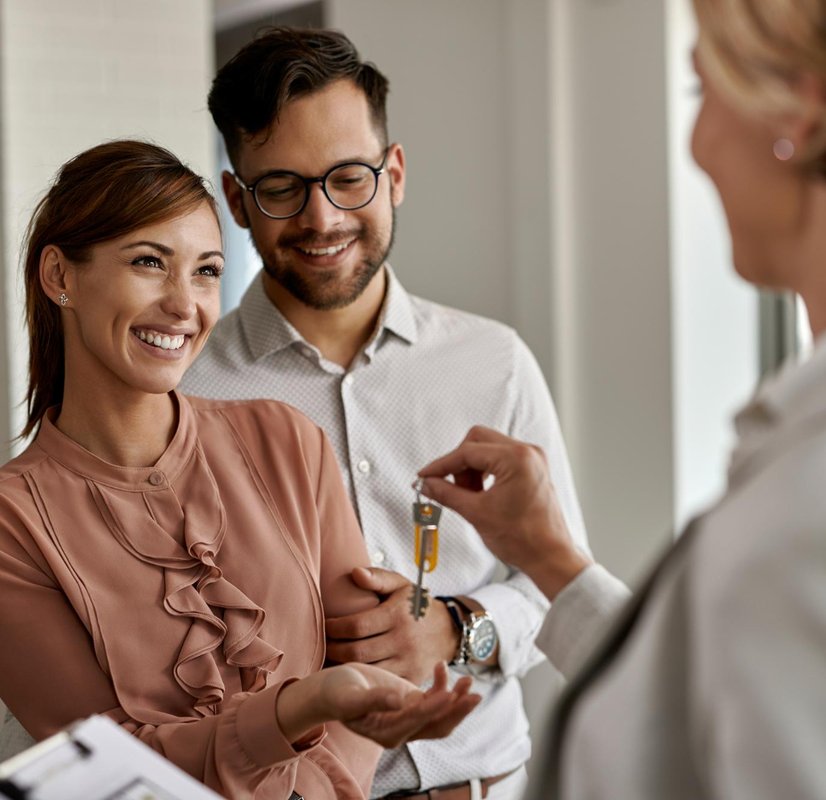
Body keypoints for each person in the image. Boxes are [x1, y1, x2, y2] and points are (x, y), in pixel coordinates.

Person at [418, 0, 826, 796]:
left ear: (796, 114)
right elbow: (696, 706)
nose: (697, 144)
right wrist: (548, 556)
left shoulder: (805, 502)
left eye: (702, 91)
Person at [180, 26, 594, 800]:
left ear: (393, 174)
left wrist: (458, 628)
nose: (322, 218)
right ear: (237, 201)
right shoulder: (185, 393)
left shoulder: (494, 361)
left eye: (348, 178)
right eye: (282, 188)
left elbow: (557, 586)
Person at [0, 140, 481, 800]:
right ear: (60, 275)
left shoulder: (288, 441)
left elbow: (365, 675)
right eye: (149, 262)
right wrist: (300, 707)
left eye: (206, 272)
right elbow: (104, 766)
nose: (184, 305)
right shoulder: (13, 523)